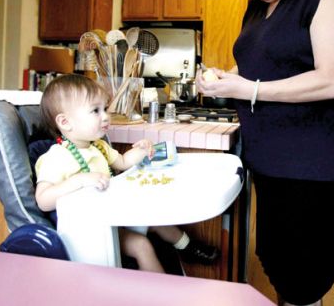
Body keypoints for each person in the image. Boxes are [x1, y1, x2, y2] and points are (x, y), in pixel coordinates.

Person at [196, 0, 334, 306]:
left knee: (305, 276)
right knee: (276, 262)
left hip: (312, 164)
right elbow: (261, 67)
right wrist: (225, 76)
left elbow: (332, 79)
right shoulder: (258, 6)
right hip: (269, 160)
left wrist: (248, 89)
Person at [34, 73, 218, 273]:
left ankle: (187, 246)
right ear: (65, 122)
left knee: (154, 216)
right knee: (141, 246)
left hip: (114, 214)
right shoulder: (57, 157)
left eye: (105, 108)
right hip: (92, 229)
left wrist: (141, 150)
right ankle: (160, 294)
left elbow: (122, 162)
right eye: (95, 111)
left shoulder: (99, 147)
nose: (105, 116)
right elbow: (43, 200)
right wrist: (79, 180)